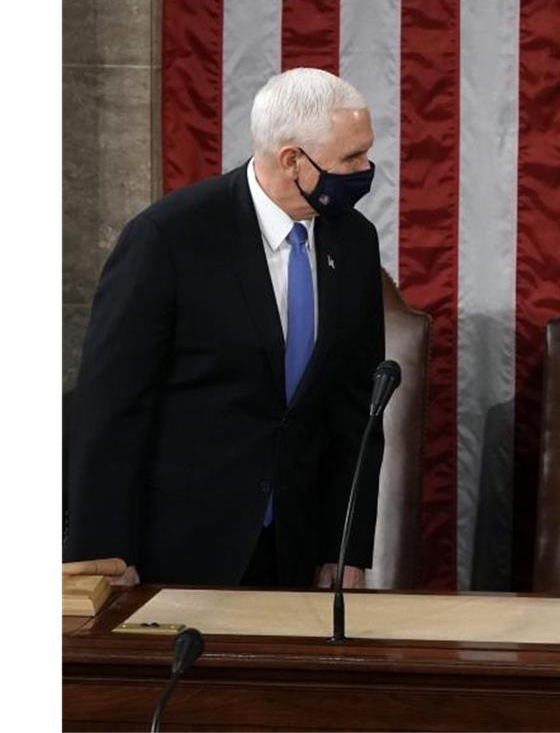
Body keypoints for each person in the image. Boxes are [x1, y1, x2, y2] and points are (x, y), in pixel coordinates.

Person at [64, 68, 385, 589]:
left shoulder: (355, 242)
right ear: (291, 160)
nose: (366, 169)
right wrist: (103, 558)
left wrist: (344, 545)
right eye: (351, 158)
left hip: (295, 552)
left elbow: (358, 410)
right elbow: (110, 410)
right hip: (174, 552)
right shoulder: (168, 237)